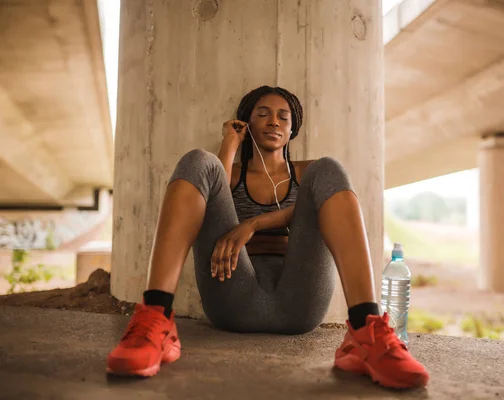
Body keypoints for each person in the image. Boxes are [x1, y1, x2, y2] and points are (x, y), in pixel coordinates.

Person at [106, 86, 429, 389]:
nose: (273, 121)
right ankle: (155, 318)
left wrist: (254, 224)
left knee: (329, 168)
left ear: (292, 129)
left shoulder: (308, 174)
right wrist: (230, 142)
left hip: (299, 302)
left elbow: (308, 207)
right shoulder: (229, 173)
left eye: (283, 117)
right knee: (198, 161)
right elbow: (213, 180)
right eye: (262, 114)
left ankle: (365, 330)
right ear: (247, 123)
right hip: (233, 296)